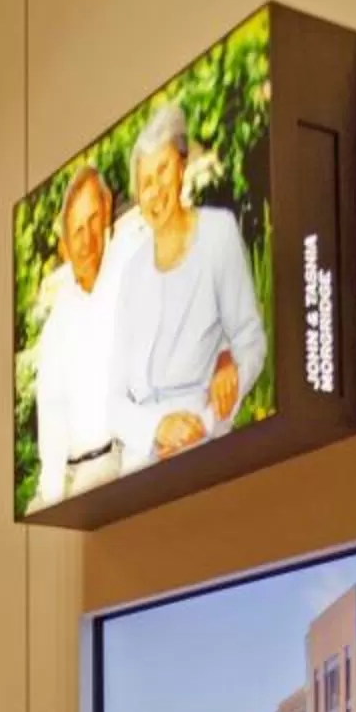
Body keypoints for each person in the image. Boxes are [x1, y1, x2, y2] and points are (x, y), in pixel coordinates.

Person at [108, 103, 266, 476]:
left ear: (181, 165)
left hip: (204, 448)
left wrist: (208, 421)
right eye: (144, 183)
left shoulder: (218, 233)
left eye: (162, 170)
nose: (154, 191)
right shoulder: (131, 272)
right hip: (140, 461)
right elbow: (113, 402)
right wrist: (156, 430)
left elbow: (251, 342)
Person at [29, 164, 131, 507]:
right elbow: (52, 413)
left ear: (109, 225)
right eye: (76, 231)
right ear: (64, 248)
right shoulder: (57, 324)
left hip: (110, 464)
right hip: (67, 476)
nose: (87, 240)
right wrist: (51, 495)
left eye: (93, 222)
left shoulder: (129, 290)